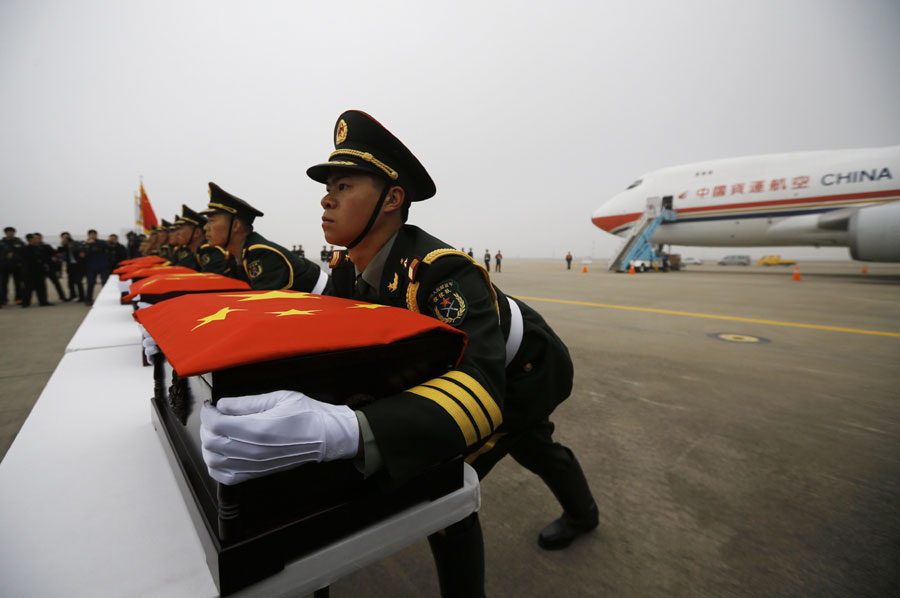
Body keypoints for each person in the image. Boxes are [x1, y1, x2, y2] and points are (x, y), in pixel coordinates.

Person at [199, 110, 598, 597]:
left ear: (391, 198)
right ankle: (585, 514)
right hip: (492, 368)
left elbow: (479, 388)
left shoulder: (441, 272)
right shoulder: (348, 269)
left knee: (442, 483)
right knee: (536, 446)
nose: (326, 197)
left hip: (527, 371)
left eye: (344, 185)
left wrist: (353, 430)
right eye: (329, 186)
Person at [200, 182, 327, 292]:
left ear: (235, 225)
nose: (206, 227)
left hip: (330, 300)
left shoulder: (262, 255)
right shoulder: (241, 255)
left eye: (211, 221)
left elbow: (262, 305)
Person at [21, 233, 53, 307]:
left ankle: (43, 301)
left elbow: (45, 257)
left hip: (40, 271)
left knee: (41, 287)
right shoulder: (26, 248)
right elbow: (27, 259)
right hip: (29, 271)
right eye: (35, 238)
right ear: (30, 239)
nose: (38, 239)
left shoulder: (40, 248)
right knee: (28, 288)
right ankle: (25, 303)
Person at [171, 205, 207, 270]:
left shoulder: (209, 252)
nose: (177, 233)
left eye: (181, 229)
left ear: (197, 233)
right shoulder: (190, 253)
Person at [35, 233, 68, 302]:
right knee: (41, 285)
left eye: (39, 238)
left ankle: (62, 297)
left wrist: (62, 245)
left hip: (49, 268)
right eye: (36, 238)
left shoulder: (46, 246)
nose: (38, 239)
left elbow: (55, 252)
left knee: (56, 283)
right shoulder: (31, 247)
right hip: (38, 269)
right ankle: (43, 300)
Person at [82, 229, 110, 305]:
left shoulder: (101, 242)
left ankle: (106, 298)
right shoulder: (85, 244)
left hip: (102, 265)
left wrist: (96, 243)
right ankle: (88, 299)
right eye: (91, 234)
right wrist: (88, 244)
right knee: (90, 283)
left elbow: (108, 246)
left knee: (105, 282)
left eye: (94, 234)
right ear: (88, 235)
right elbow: (81, 252)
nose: (93, 236)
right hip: (91, 267)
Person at [1, 226, 25, 306]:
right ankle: (3, 300)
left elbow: (24, 253)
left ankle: (18, 299)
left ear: (14, 233)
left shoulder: (19, 242)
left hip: (17, 266)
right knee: (3, 284)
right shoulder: (1, 243)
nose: (10, 233)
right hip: (4, 267)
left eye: (12, 232)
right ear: (5, 233)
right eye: (8, 232)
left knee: (18, 284)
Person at [58, 232, 84, 302]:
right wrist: (62, 244)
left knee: (78, 281)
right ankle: (72, 295)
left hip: (78, 265)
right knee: (70, 282)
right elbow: (59, 253)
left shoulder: (76, 243)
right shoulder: (64, 246)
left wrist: (71, 244)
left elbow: (80, 249)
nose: (66, 239)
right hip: (70, 265)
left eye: (67, 237)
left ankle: (82, 297)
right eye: (64, 237)